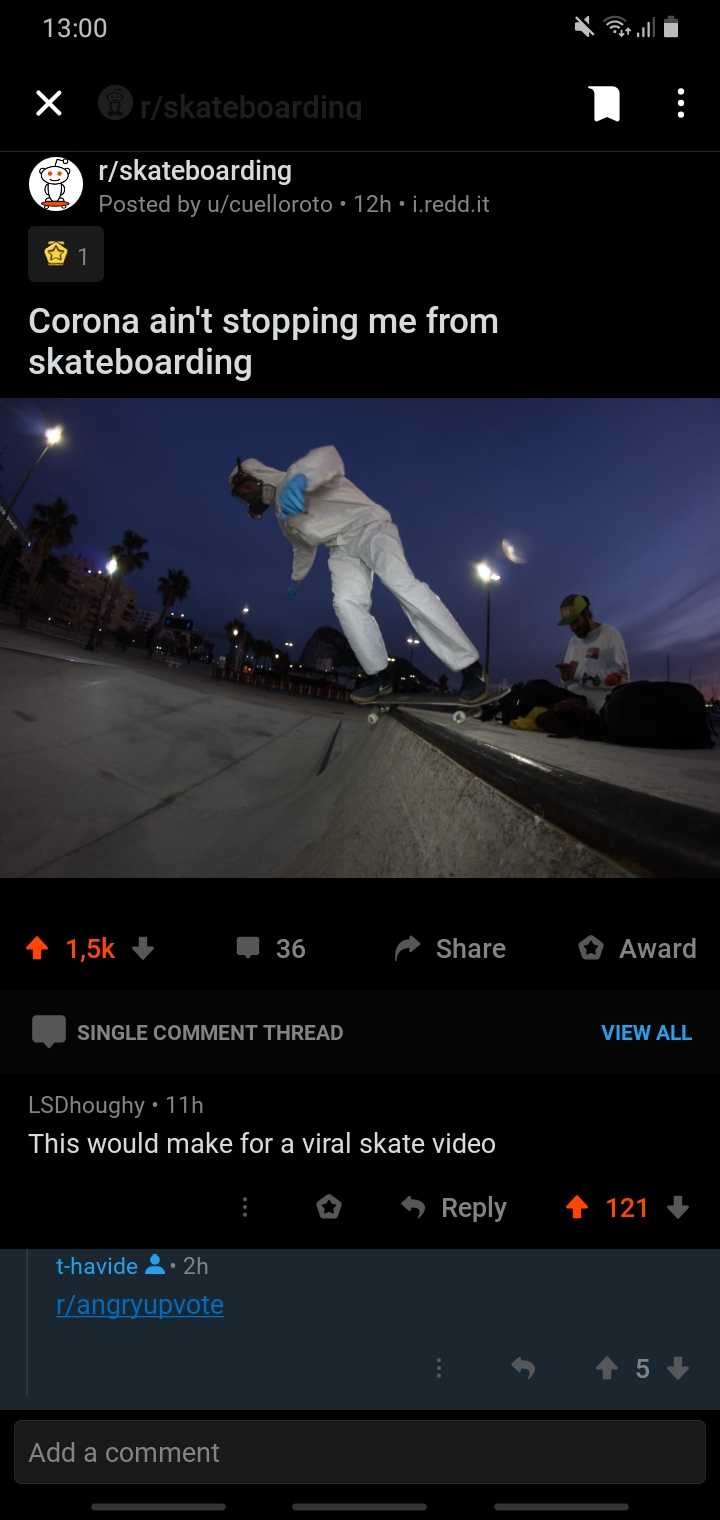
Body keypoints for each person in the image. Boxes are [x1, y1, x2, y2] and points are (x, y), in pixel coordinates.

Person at [229, 446, 486, 705]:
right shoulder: (283, 518)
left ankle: (470, 667)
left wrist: (300, 480)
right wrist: (297, 578)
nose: (247, 497)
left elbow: (329, 457)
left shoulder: (297, 474)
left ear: (257, 475)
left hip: (370, 526)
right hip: (340, 549)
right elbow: (302, 548)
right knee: (345, 602)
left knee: (403, 586)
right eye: (241, 496)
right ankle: (380, 676)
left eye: (247, 489)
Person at [507, 594, 630, 735]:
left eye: (576, 621)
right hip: (571, 697)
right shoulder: (574, 641)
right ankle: (510, 714)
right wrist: (565, 677)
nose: (573, 627)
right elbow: (570, 678)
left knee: (538, 692)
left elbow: (621, 679)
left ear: (587, 614)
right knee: (534, 687)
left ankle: (545, 718)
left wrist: (578, 673)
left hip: (592, 706)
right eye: (570, 624)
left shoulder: (609, 634)